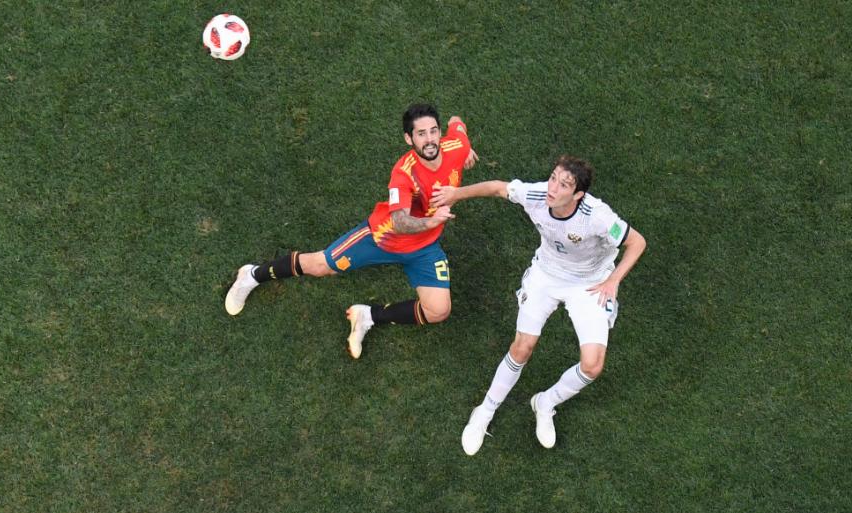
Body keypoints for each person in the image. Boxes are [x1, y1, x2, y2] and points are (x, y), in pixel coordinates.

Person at [429, 155, 646, 454]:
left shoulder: (597, 216)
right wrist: (455, 194)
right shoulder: (537, 194)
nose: (553, 187)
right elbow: (496, 188)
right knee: (522, 347)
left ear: (578, 195)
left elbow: (637, 242)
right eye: (554, 177)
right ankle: (485, 411)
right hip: (546, 275)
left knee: (593, 366)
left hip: (589, 284)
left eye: (564, 184)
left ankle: (545, 403)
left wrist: (614, 281)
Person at [224, 103, 478, 358]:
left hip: (423, 247)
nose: (430, 139)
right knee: (321, 265)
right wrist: (432, 222)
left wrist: (467, 151)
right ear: (408, 138)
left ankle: (367, 316)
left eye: (434, 131)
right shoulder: (403, 173)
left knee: (438, 311)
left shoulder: (456, 146)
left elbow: (457, 121)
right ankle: (252, 275)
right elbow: (400, 222)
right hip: (381, 238)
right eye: (421, 134)